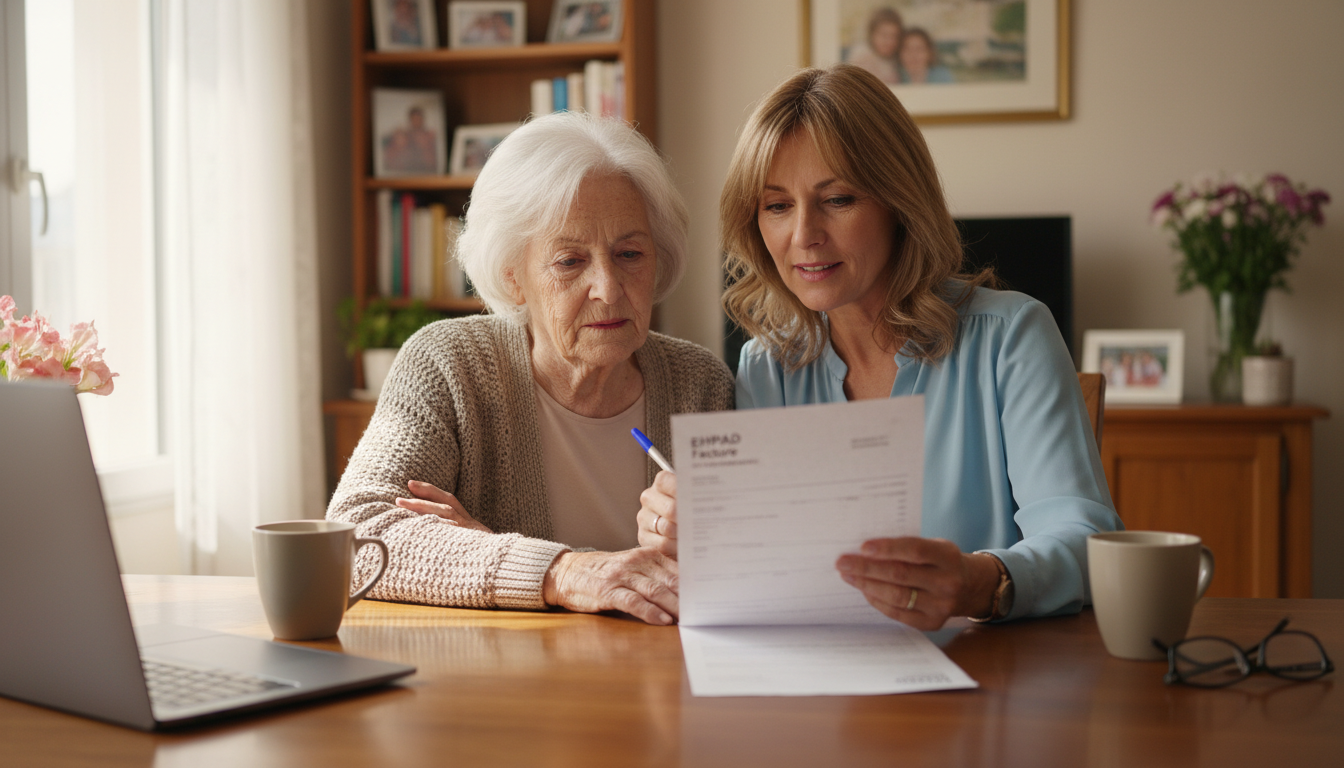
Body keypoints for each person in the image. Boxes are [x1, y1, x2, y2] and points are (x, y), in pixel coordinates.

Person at [638, 65, 1121, 630]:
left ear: (899, 201)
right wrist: (695, 535)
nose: (803, 235)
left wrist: (977, 582)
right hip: (826, 683)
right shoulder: (767, 366)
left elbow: (1086, 540)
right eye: (777, 206)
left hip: (992, 681)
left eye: (837, 199)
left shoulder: (1012, 336)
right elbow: (774, 566)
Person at [329, 111, 735, 626]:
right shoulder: (449, 366)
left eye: (630, 253)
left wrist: (714, 546)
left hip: (659, 686)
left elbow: (750, 567)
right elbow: (357, 536)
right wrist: (559, 571)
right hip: (507, 689)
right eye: (569, 261)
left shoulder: (701, 386)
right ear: (513, 277)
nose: (609, 289)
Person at [845, 7, 904, 85]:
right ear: (872, 34)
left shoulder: (897, 58)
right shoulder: (861, 57)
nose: (890, 41)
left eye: (894, 36)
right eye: (884, 35)